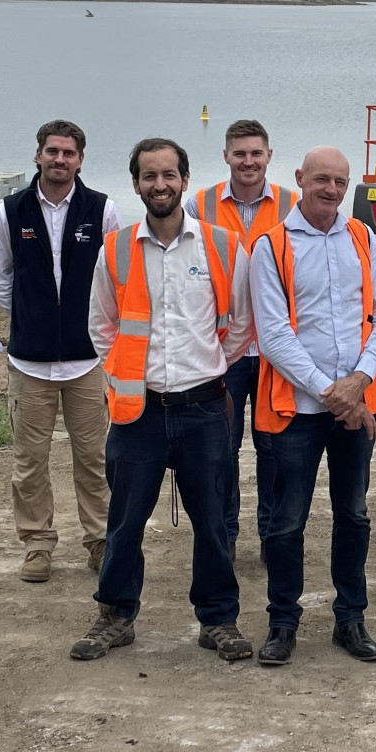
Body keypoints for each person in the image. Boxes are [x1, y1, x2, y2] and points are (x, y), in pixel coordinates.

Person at [69, 138, 255, 665]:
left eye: (168, 175)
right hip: (139, 411)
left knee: (213, 519)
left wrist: (206, 364)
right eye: (149, 176)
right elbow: (101, 325)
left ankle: (219, 619)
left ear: (184, 180)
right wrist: (125, 374)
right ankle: (115, 616)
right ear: (136, 184)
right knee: (124, 522)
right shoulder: (118, 249)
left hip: (204, 408)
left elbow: (240, 323)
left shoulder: (221, 246)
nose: (160, 185)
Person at [249, 145, 376, 666]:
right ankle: (282, 622)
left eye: (339, 181)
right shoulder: (271, 246)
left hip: (356, 404)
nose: (331, 190)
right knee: (286, 522)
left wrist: (358, 381)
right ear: (300, 180)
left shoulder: (362, 236)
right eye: (321, 181)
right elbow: (274, 336)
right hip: (297, 414)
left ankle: (350, 619)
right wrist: (333, 394)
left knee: (353, 516)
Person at [0, 119, 122, 583]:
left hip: (88, 362)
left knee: (94, 458)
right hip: (29, 360)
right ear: (38, 155)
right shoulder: (10, 212)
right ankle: (37, 544)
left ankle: (100, 541)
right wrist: (33, 314)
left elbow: (116, 278)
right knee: (29, 462)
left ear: (81, 159)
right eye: (52, 152)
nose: (59, 160)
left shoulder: (102, 211)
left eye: (68, 153)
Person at [186, 119, 297, 553]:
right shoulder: (198, 205)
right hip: (223, 350)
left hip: (276, 351)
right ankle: (224, 536)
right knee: (219, 449)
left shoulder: (294, 204)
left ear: (269, 155)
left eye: (256, 153)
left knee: (275, 449)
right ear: (226, 156)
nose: (247, 161)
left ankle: (272, 536)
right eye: (239, 153)